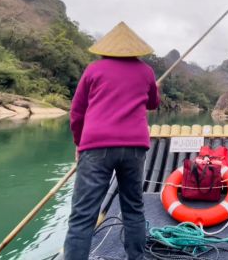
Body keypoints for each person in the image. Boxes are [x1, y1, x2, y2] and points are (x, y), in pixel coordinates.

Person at [64, 21, 160, 260]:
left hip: (95, 147)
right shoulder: (146, 71)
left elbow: (77, 112)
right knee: (133, 209)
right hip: (135, 148)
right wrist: (147, 88)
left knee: (83, 215)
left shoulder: (93, 70)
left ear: (105, 49)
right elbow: (153, 103)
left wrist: (79, 143)